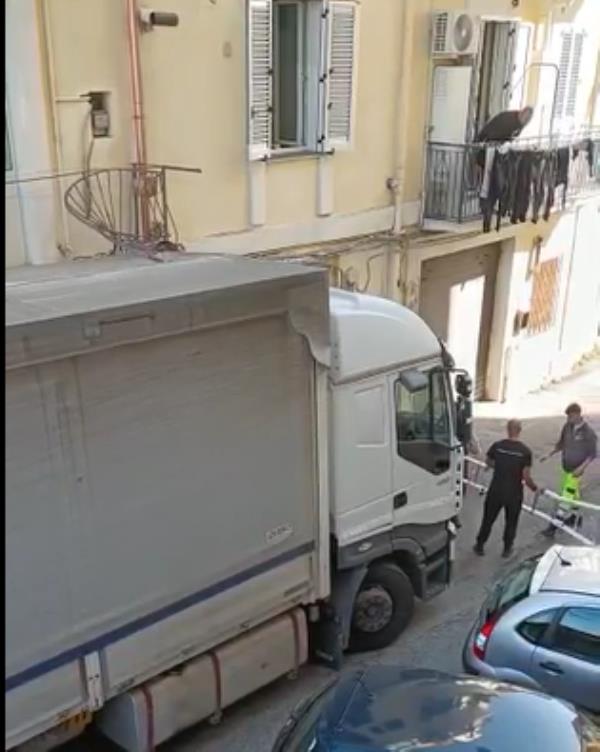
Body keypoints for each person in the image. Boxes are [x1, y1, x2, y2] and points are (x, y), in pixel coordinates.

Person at [474, 419, 539, 558]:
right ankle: (507, 549)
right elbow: (526, 477)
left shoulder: (497, 446)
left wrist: (499, 466)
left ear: (507, 430)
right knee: (511, 521)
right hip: (514, 493)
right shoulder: (525, 451)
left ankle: (480, 545)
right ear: (520, 431)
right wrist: (535, 488)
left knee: (488, 519)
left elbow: (489, 462)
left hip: (496, 490)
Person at [540, 402, 597, 537]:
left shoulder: (588, 433)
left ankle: (554, 526)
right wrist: (549, 454)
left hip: (576, 471)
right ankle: (574, 517)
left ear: (577, 415)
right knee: (573, 494)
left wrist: (581, 468)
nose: (568, 419)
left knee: (566, 498)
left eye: (570, 416)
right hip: (566, 467)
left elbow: (592, 454)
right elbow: (561, 444)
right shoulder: (567, 427)